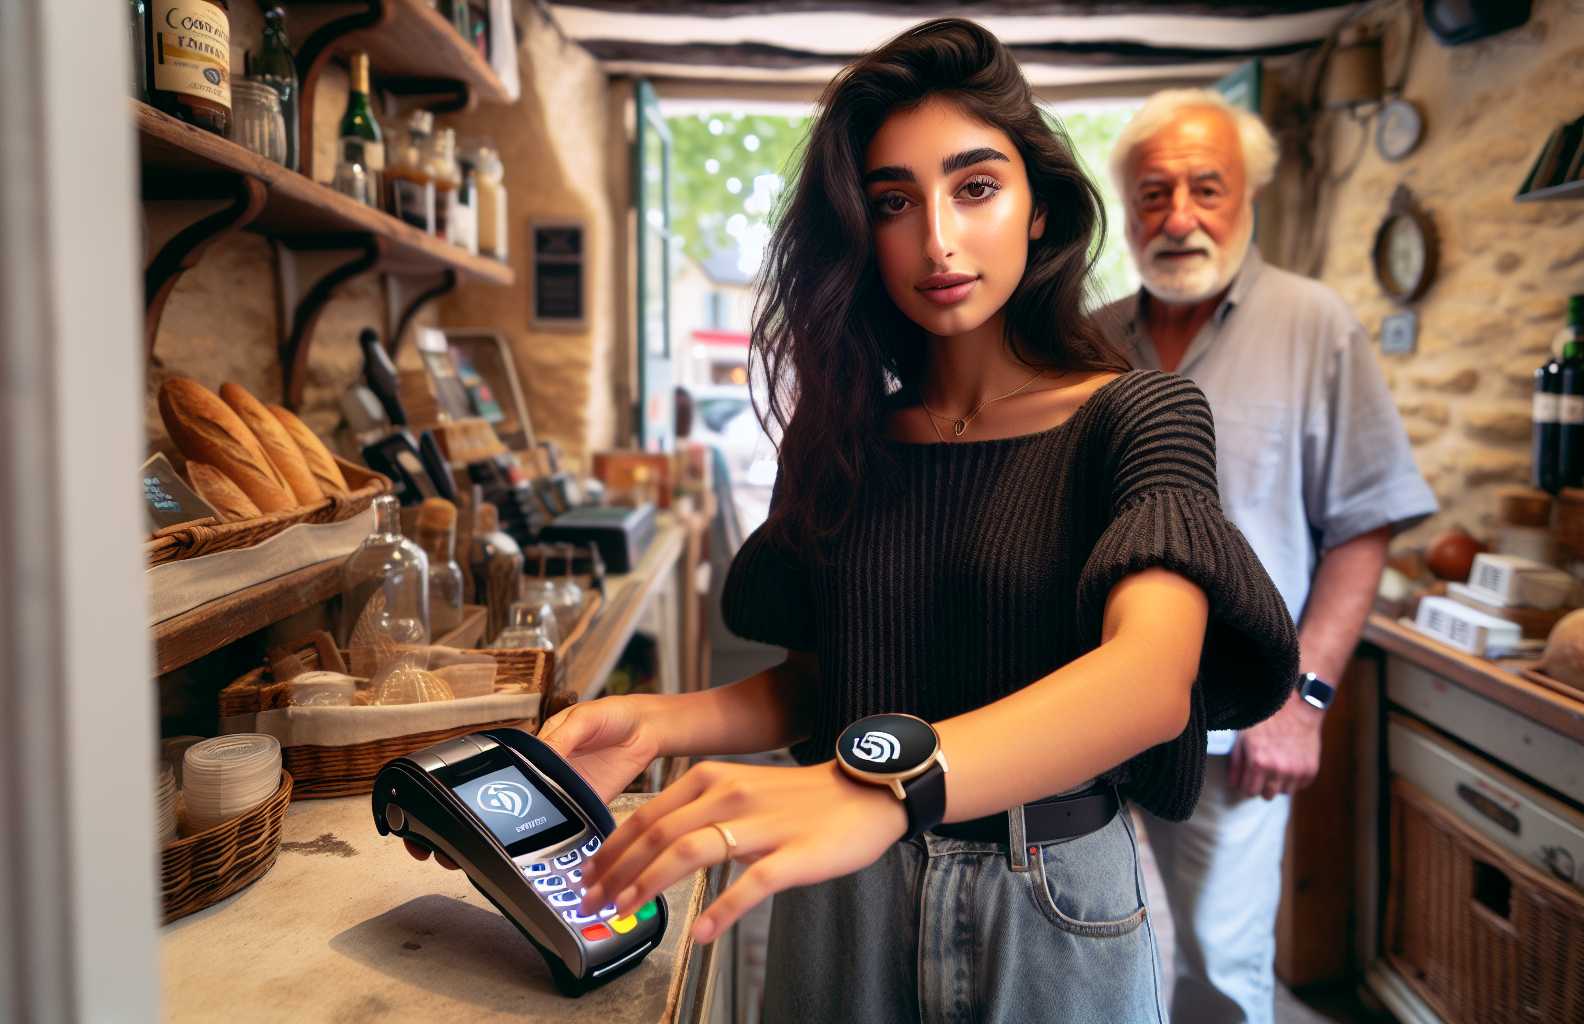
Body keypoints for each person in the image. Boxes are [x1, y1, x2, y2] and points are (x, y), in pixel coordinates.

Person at [413, 23, 1298, 1021]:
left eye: (974, 187)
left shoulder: (1139, 415)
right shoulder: (844, 435)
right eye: (893, 203)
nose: (937, 238)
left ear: (1038, 207)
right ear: (859, 232)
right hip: (842, 896)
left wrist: (884, 791)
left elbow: (1146, 682)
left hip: (1046, 895)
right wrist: (668, 718)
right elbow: (833, 681)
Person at [1094, 89, 1437, 1023]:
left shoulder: (1315, 323)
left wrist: (1305, 699)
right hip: (1090, 719)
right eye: (1153, 194)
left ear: (1248, 197)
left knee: (1217, 963)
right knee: (1086, 952)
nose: (1179, 216)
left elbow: (1363, 524)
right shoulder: (1087, 340)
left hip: (1237, 719)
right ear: (1125, 211)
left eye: (1207, 188)